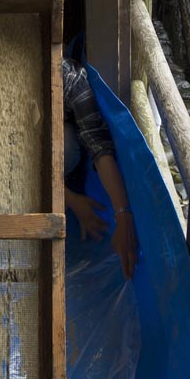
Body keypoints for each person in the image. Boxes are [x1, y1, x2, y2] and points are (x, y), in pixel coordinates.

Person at [63, 58, 137, 280]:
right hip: (13, 158)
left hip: (51, 152)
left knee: (66, 147)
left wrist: (123, 215)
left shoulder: (69, 80)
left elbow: (99, 147)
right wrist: (71, 200)